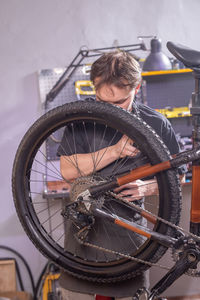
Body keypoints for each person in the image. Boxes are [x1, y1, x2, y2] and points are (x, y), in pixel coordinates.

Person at [57, 50, 186, 300]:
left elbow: (177, 178)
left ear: (136, 89)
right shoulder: (81, 119)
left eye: (118, 104)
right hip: (83, 235)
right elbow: (67, 171)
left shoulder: (156, 124)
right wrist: (114, 151)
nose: (110, 111)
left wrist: (147, 187)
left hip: (129, 239)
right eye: (103, 102)